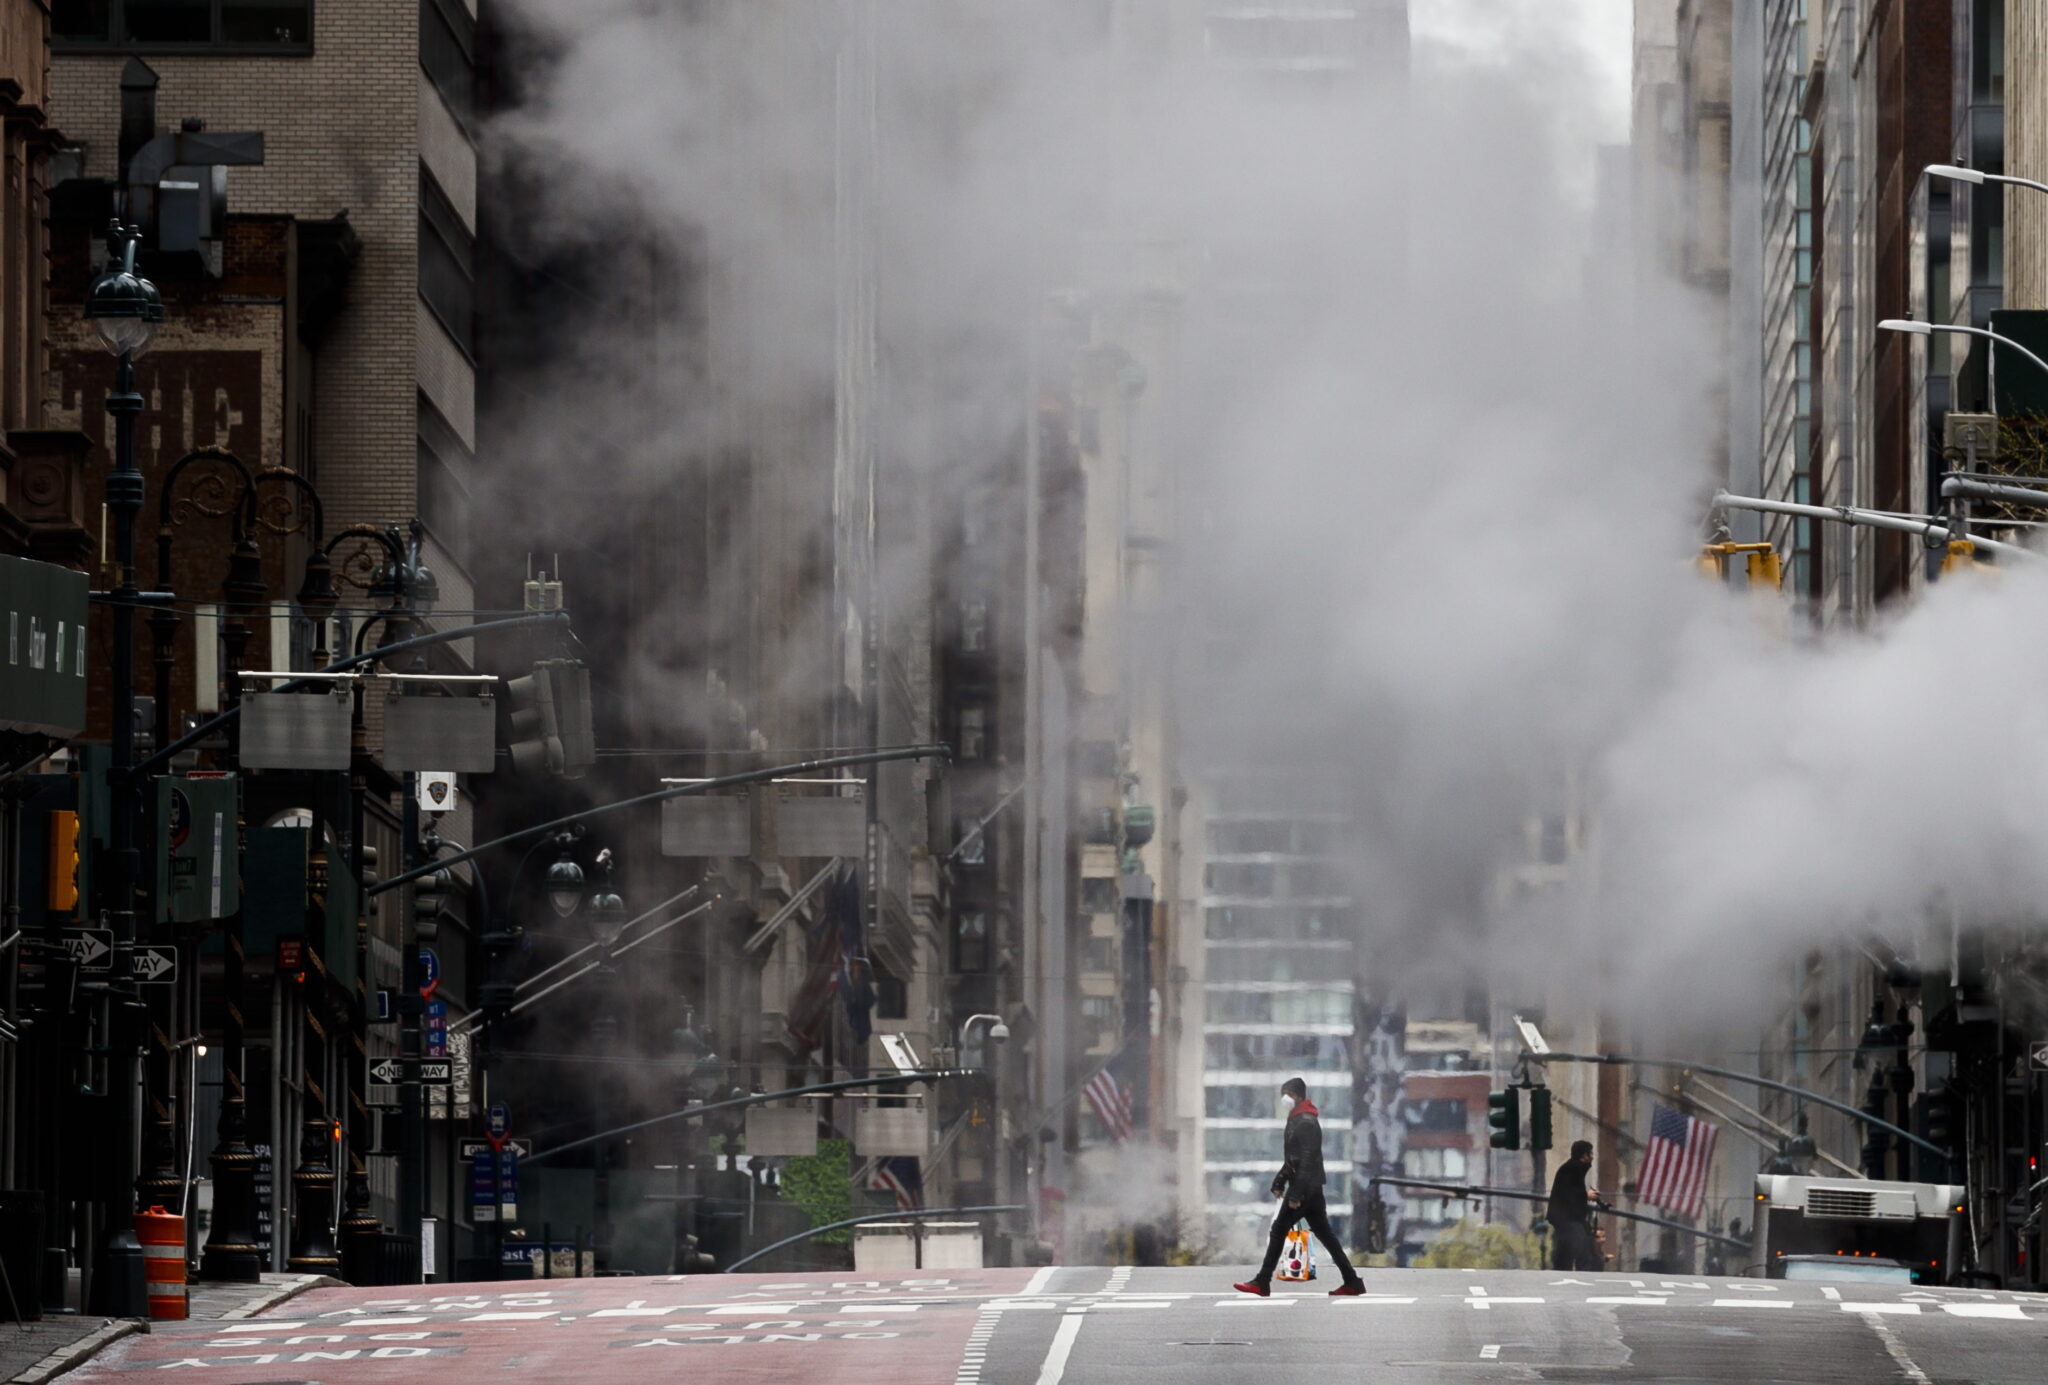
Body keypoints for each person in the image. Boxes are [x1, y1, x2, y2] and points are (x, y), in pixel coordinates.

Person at [1233, 1077, 1366, 1297]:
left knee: (1278, 1230)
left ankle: (1262, 1281)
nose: (1285, 1098)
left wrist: (1295, 1193)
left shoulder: (1306, 1122)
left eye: (1289, 1094)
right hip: (1310, 1188)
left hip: (1305, 1188)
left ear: (1298, 1096)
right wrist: (1280, 1180)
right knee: (1326, 1235)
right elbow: (1293, 1159)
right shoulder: (1298, 1119)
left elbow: (1307, 1159)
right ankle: (1352, 1281)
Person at [1547, 1139, 1599, 1272]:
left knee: (1564, 1257)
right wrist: (1586, 1196)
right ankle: (1583, 1287)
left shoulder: (1572, 1168)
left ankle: (1561, 1282)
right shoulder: (1573, 1169)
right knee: (1584, 1255)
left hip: (1564, 1218)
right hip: (1569, 1219)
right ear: (1584, 1155)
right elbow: (1568, 1194)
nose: (1592, 1157)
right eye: (1590, 1153)